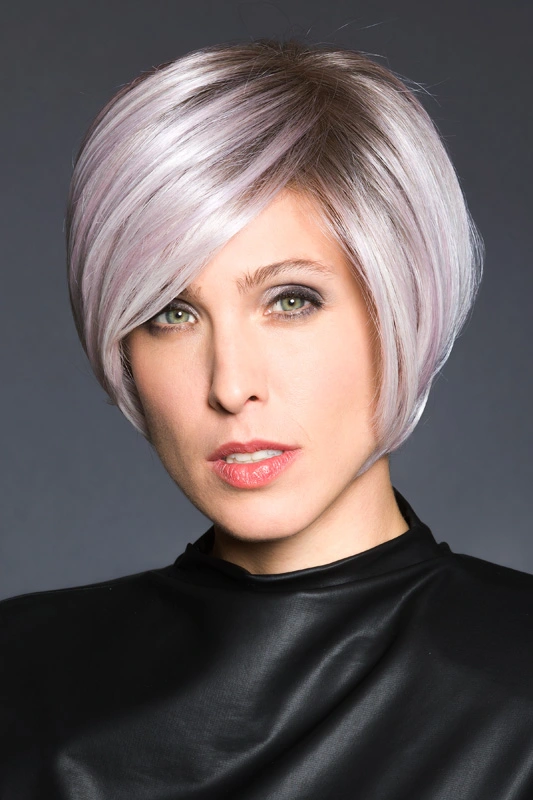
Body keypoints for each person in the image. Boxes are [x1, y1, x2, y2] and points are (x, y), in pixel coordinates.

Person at [1, 38, 532, 799]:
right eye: (171, 313)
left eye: (290, 300)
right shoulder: (23, 675)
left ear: (400, 309)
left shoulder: (514, 683)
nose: (230, 385)